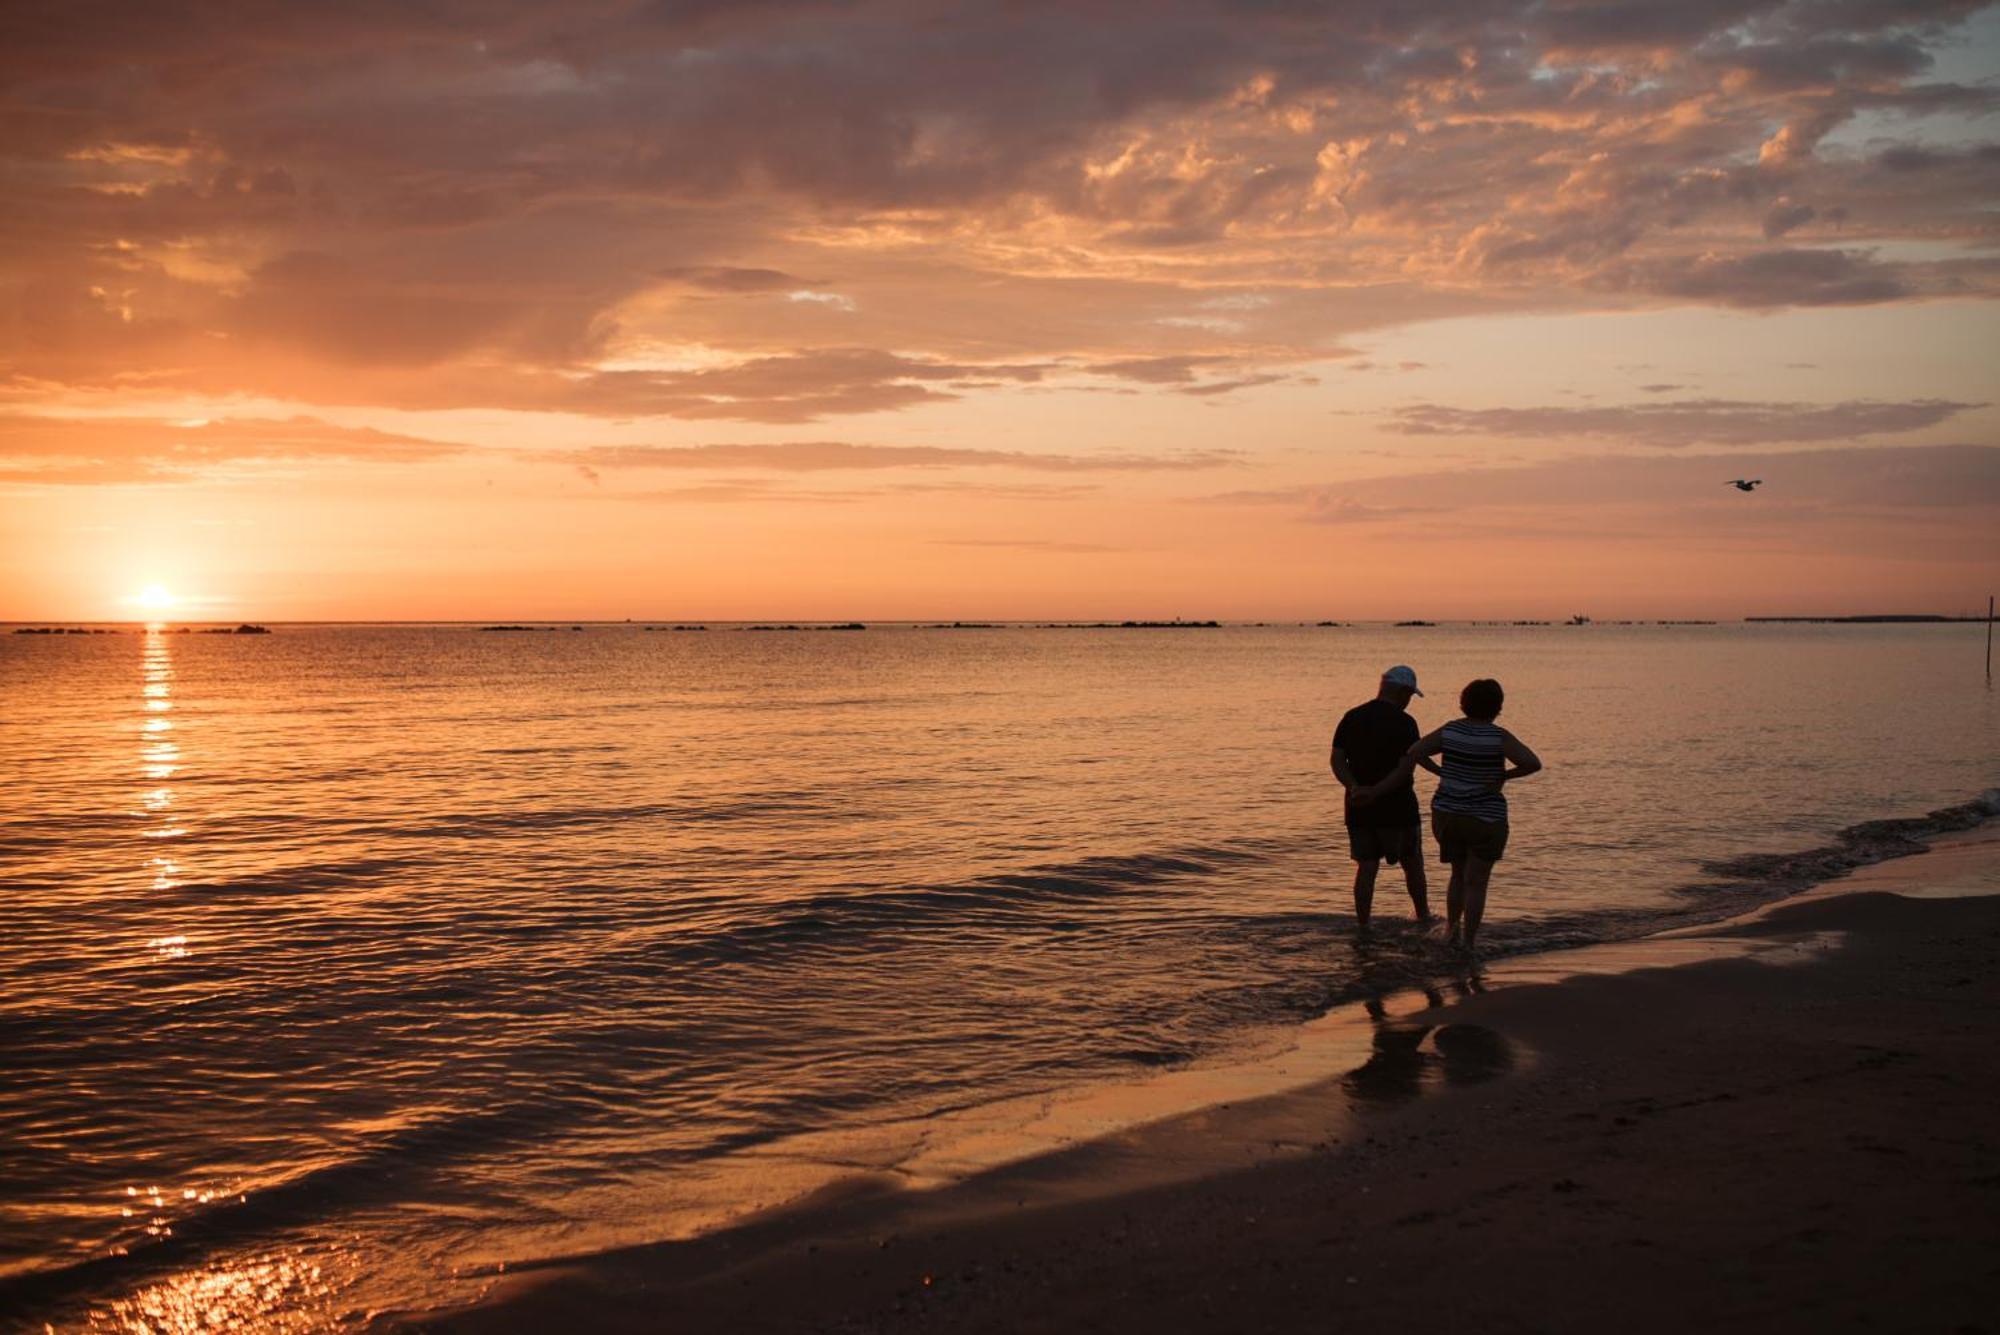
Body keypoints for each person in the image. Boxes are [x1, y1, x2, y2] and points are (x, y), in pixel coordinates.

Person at [1363, 677, 1541, 953]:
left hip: (1448, 814)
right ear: (1498, 707)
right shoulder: (1498, 737)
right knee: (1477, 882)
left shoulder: (1450, 731)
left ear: (1463, 703)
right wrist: (1505, 775)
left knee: (1458, 875)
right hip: (1485, 817)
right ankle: (1469, 943)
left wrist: (1439, 772)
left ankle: (1451, 933)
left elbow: (1415, 751)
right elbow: (1532, 763)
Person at [1329, 665, 1431, 934]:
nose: (1409, 701)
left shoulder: (1352, 717)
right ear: (1401, 692)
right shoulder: (1405, 722)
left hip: (1358, 808)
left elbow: (1337, 760)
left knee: (1366, 867)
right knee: (1412, 864)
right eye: (1409, 695)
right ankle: (1423, 919)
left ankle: (1363, 925)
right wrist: (1376, 792)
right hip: (1398, 808)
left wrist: (1354, 788)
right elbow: (1405, 767)